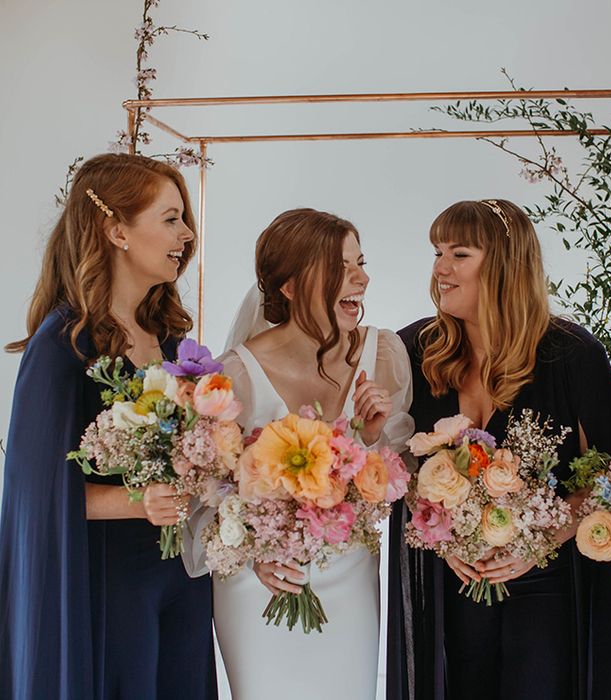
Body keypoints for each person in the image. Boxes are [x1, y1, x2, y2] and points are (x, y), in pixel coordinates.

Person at [388, 199, 611, 700]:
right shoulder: (414, 350)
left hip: (547, 585)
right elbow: (395, 466)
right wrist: (440, 533)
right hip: (451, 581)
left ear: (503, 262)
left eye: (459, 254)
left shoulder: (573, 355)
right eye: (437, 252)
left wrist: (537, 540)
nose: (440, 268)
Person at [0, 153, 216, 700]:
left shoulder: (170, 341)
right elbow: (31, 494)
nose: (187, 234)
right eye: (170, 219)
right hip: (106, 581)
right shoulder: (62, 344)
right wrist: (139, 500)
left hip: (182, 574)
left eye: (183, 218)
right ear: (117, 230)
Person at [192, 208, 414, 699]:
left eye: (361, 262)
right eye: (342, 267)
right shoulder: (238, 373)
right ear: (290, 286)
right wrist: (254, 558)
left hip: (350, 578)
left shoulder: (384, 356)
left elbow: (400, 483)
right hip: (259, 585)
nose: (362, 278)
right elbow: (207, 493)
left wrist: (373, 438)